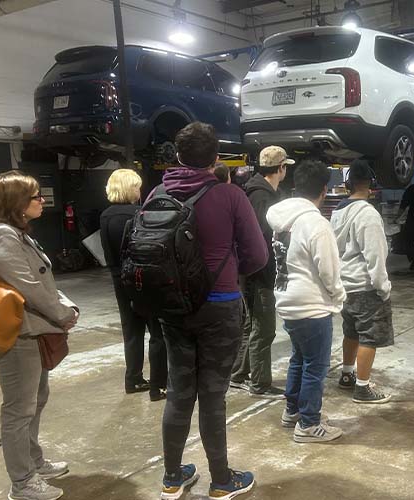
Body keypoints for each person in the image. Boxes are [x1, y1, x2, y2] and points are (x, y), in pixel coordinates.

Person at [157, 122, 267, 500]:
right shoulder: (229, 195)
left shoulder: (157, 192)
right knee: (213, 394)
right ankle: (221, 480)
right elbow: (258, 256)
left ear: (177, 156)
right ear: (216, 158)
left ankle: (173, 477)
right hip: (220, 306)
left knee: (179, 391)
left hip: (172, 307)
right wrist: (229, 269)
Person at [0, 170, 78, 500]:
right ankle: (22, 482)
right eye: (35, 196)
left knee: (34, 402)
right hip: (17, 337)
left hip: (31, 333)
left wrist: (64, 307)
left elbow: (41, 284)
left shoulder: (15, 234)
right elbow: (30, 288)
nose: (41, 201)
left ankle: (33, 463)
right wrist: (63, 314)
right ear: (16, 203)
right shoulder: (1, 237)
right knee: (19, 411)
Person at [267, 159, 346, 443]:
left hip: (288, 300)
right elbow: (329, 270)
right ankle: (309, 424)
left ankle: (293, 411)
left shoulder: (282, 220)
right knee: (316, 366)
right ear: (324, 190)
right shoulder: (316, 223)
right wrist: (338, 297)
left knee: (299, 359)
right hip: (311, 306)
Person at [230, 146, 293, 398]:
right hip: (260, 273)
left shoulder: (260, 193)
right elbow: (262, 239)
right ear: (281, 168)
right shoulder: (261, 197)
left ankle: (238, 374)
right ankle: (260, 383)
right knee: (264, 330)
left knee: (252, 326)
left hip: (255, 271)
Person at [100, 169, 168, 401]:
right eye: (137, 186)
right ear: (131, 188)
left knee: (132, 332)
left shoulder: (106, 215)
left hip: (119, 280)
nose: (140, 191)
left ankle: (133, 378)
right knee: (157, 332)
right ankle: (158, 385)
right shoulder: (140, 214)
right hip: (142, 280)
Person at [330, 160, 393, 404]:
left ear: (347, 184)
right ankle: (363, 388)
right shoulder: (368, 214)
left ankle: (347, 374)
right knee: (369, 337)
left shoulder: (338, 212)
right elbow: (375, 256)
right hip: (366, 287)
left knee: (351, 332)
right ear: (371, 184)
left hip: (345, 286)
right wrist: (383, 287)